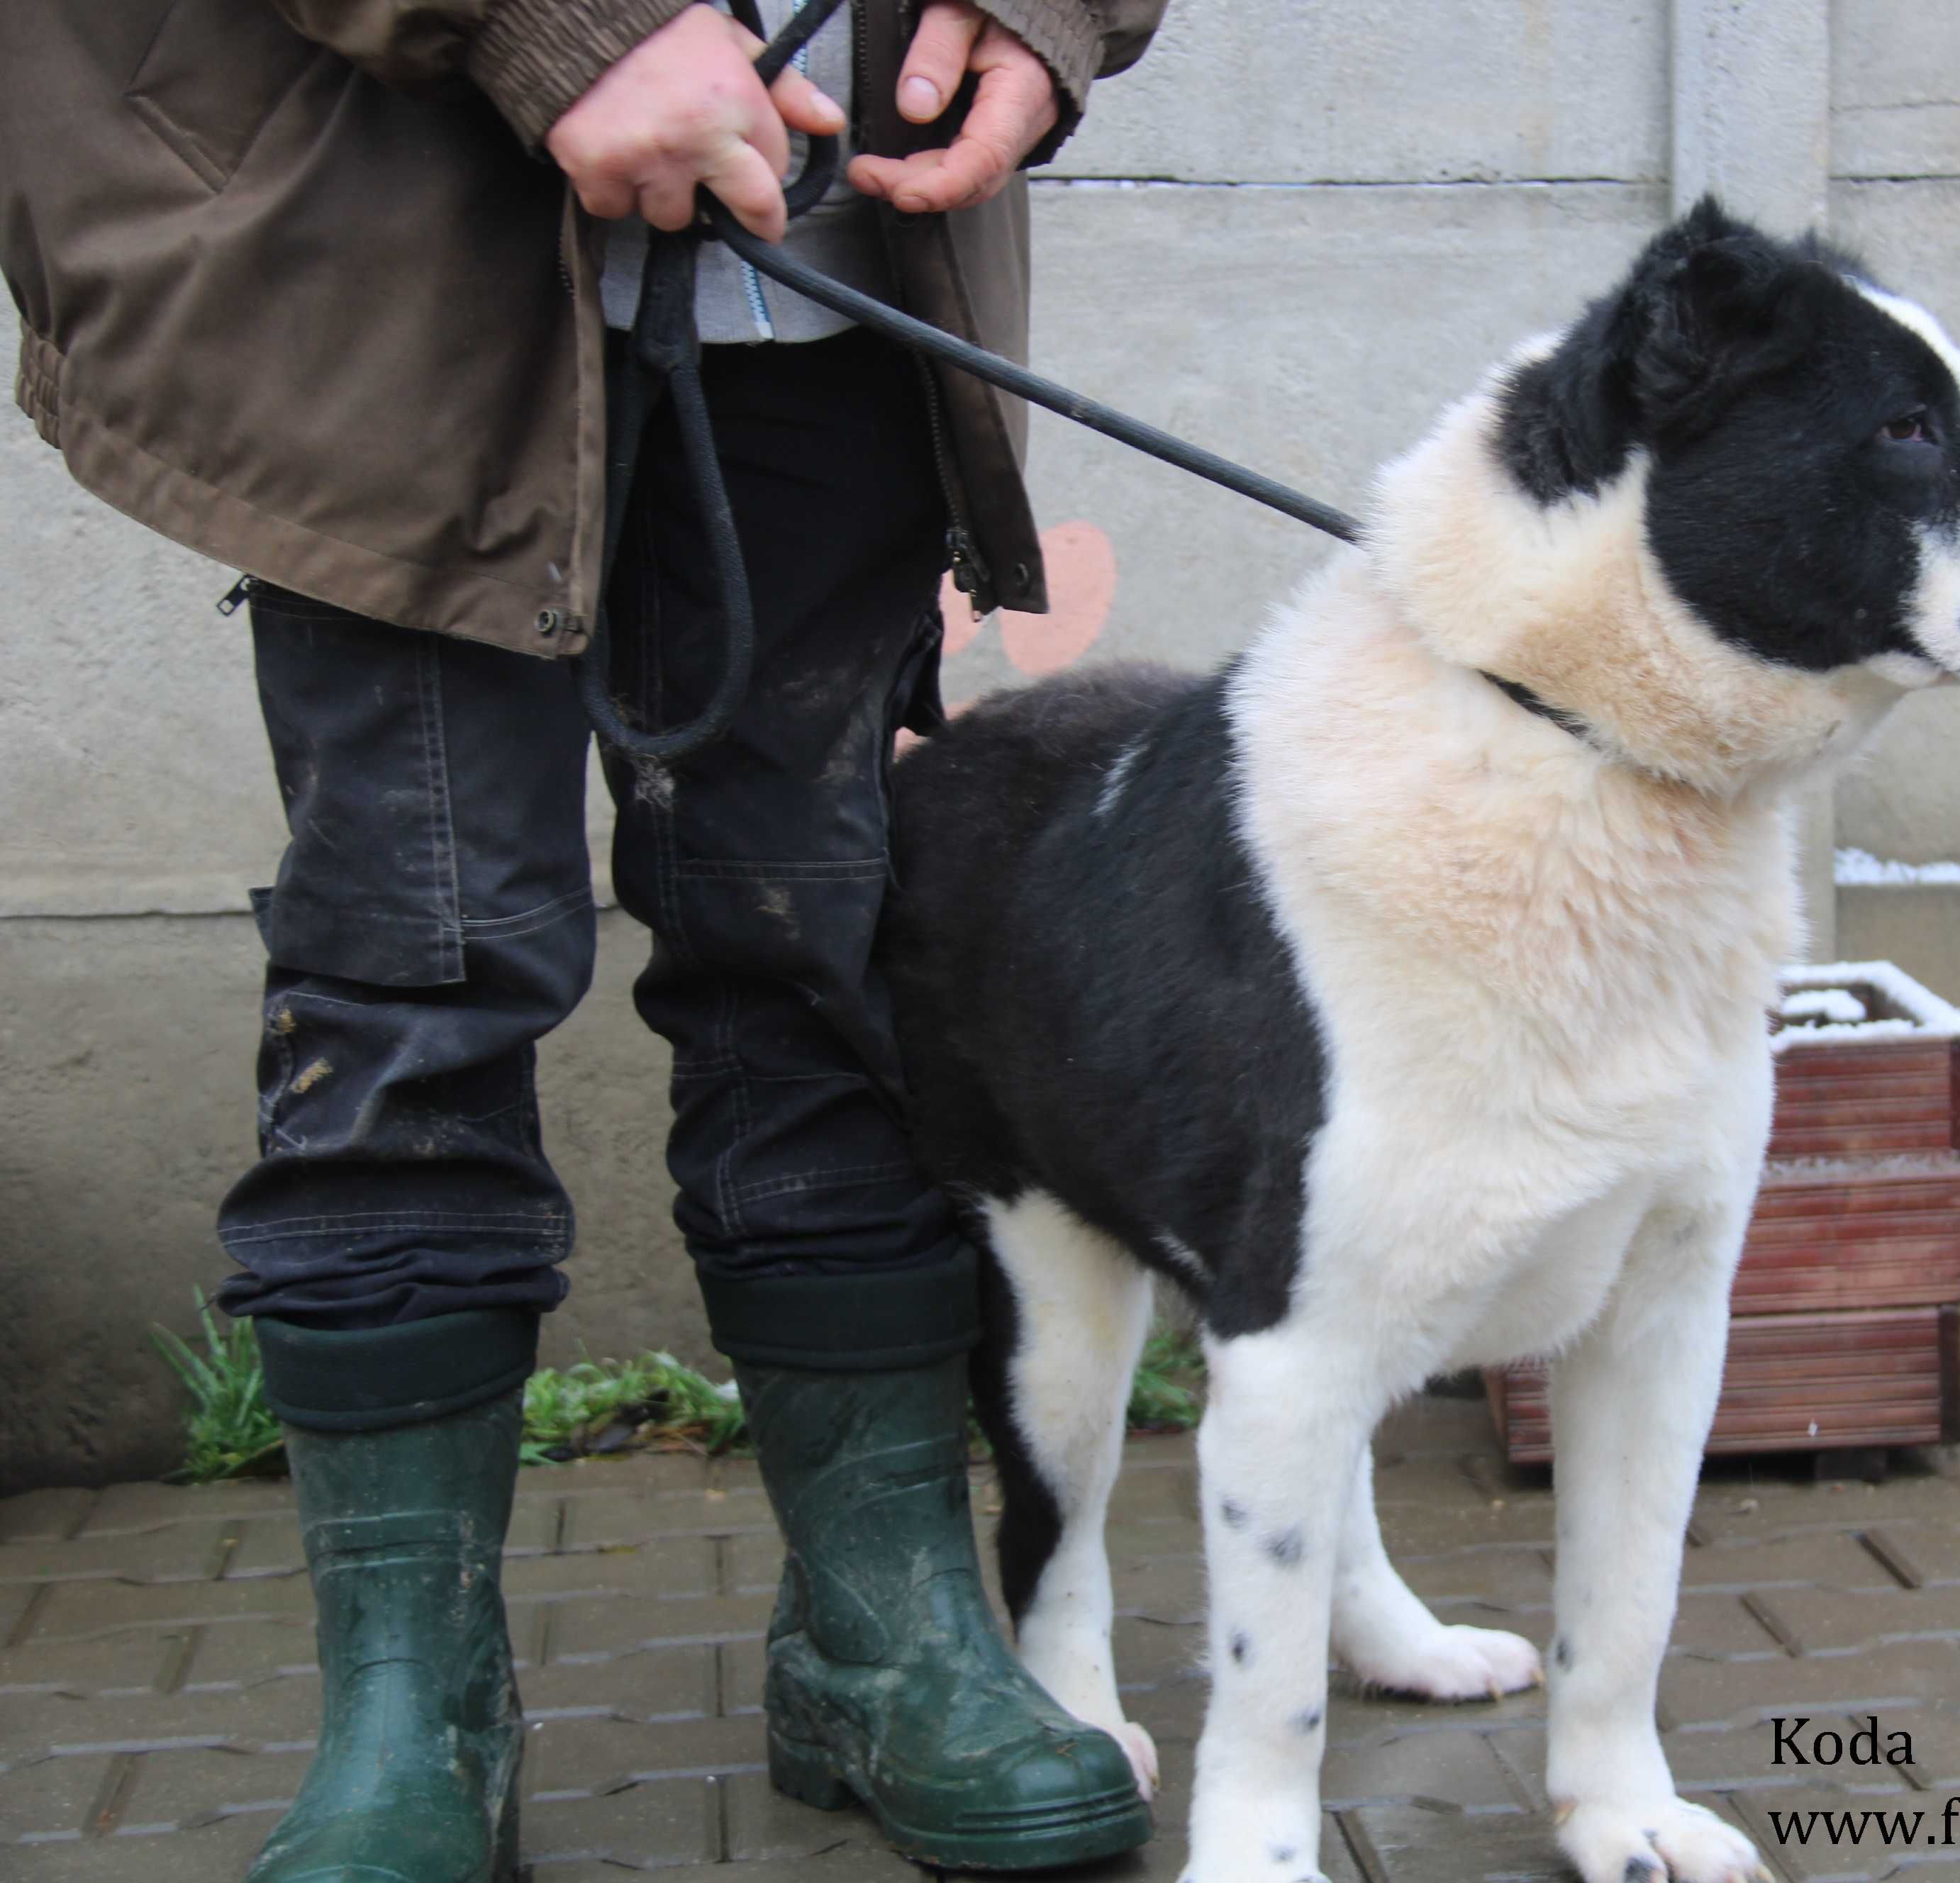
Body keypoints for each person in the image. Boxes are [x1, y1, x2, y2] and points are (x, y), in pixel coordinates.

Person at [0, 1, 1166, 1876]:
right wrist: (561, 25)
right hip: (378, 249)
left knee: (833, 956)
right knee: (410, 964)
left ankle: (879, 1633)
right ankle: (418, 1715)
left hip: (833, 265)